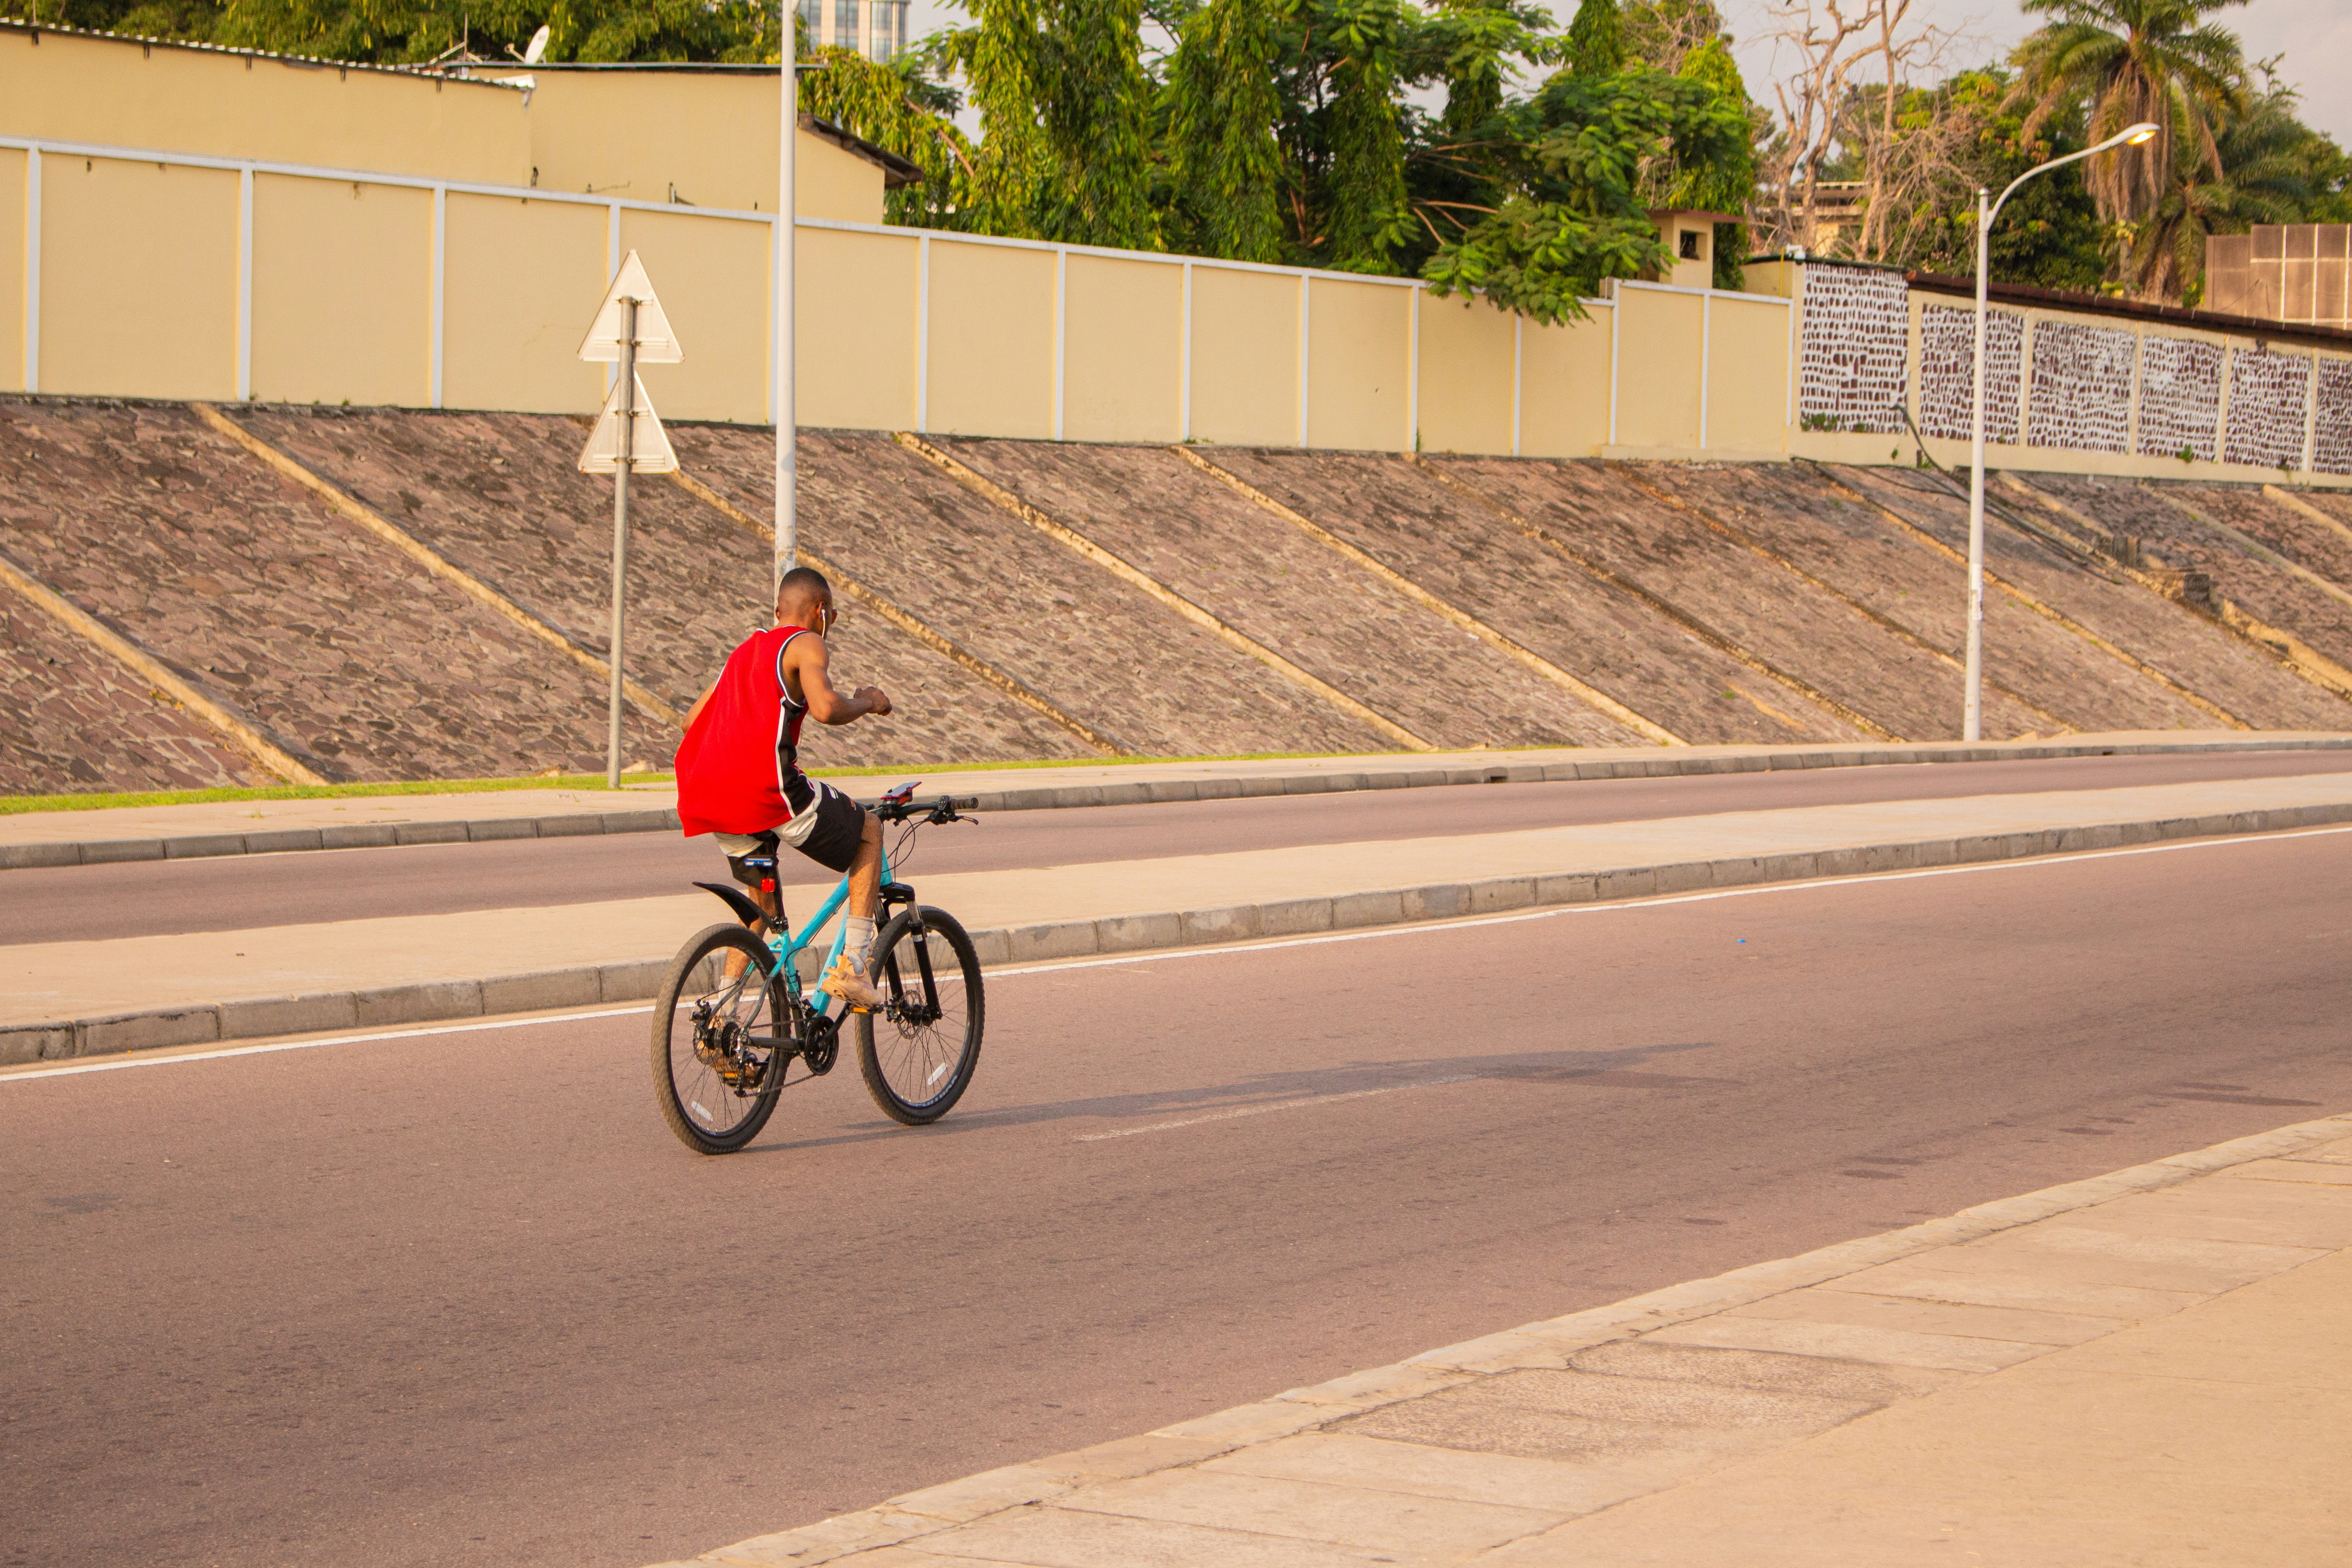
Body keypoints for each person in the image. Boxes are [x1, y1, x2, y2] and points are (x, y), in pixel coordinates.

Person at [675, 566, 893, 1010]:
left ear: (777, 611)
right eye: (830, 615)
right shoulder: (807, 642)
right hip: (767, 794)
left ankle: (722, 1017)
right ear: (820, 612)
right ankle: (853, 968)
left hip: (712, 797)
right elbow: (826, 709)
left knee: (760, 911)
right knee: (869, 829)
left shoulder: (743, 653)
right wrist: (869, 702)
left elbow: (691, 721)